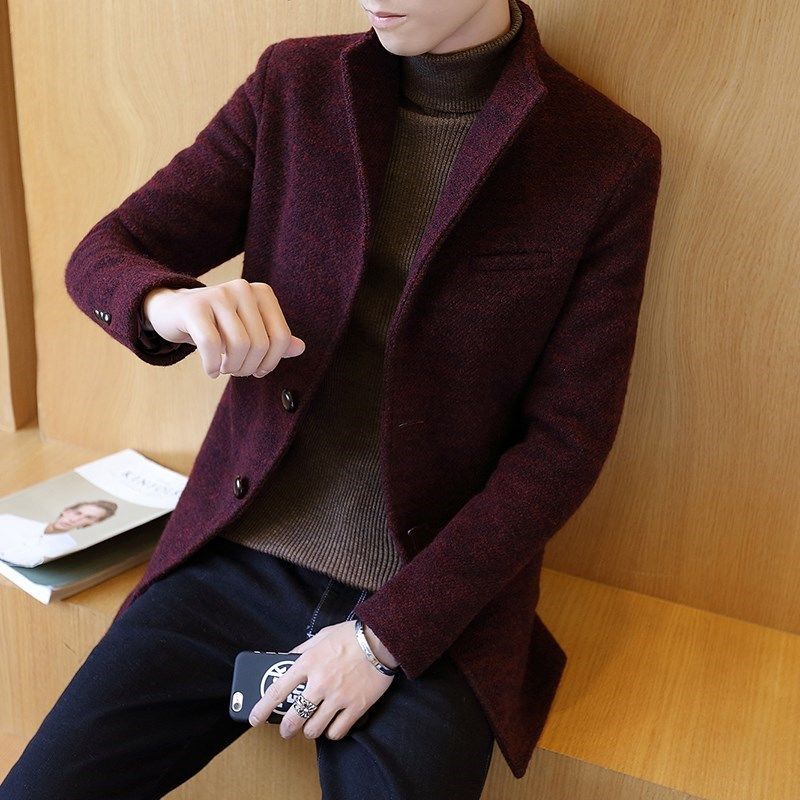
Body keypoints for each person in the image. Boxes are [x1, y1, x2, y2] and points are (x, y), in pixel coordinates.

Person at [1, 2, 553, 797]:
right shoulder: (296, 85)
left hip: (432, 595)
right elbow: (106, 253)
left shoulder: (603, 153)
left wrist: (382, 641)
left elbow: (565, 443)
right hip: (238, 546)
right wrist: (173, 305)